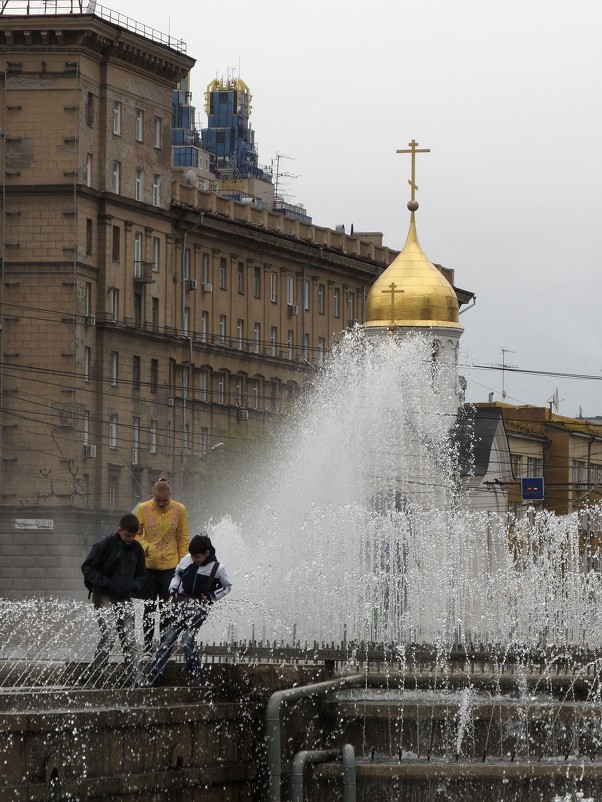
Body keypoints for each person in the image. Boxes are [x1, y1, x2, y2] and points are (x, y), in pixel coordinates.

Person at [150, 534, 232, 685]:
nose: (194, 560)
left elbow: (227, 587)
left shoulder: (217, 568)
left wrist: (212, 596)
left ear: (207, 553)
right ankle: (156, 673)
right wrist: (173, 589)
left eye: (197, 557)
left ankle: (196, 674)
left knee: (187, 640)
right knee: (168, 637)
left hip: (199, 606)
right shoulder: (187, 559)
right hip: (179, 602)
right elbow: (177, 576)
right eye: (192, 556)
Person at [81, 513, 146, 686]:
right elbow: (87, 567)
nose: (130, 539)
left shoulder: (137, 549)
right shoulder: (105, 545)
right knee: (108, 636)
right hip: (103, 596)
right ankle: (95, 679)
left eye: (133, 536)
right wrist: (103, 583)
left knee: (129, 638)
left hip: (124, 597)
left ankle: (136, 679)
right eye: (127, 535)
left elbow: (142, 574)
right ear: (120, 530)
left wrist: (134, 586)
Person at [134, 477, 190, 655]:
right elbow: (135, 535)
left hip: (171, 567)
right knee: (149, 608)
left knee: (168, 610)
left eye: (165, 501)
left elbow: (183, 538)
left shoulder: (179, 509)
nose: (161, 504)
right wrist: (146, 547)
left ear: (170, 496)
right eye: (158, 500)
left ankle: (166, 647)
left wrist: (183, 565)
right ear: (153, 495)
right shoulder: (143, 508)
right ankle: (148, 648)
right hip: (149, 566)